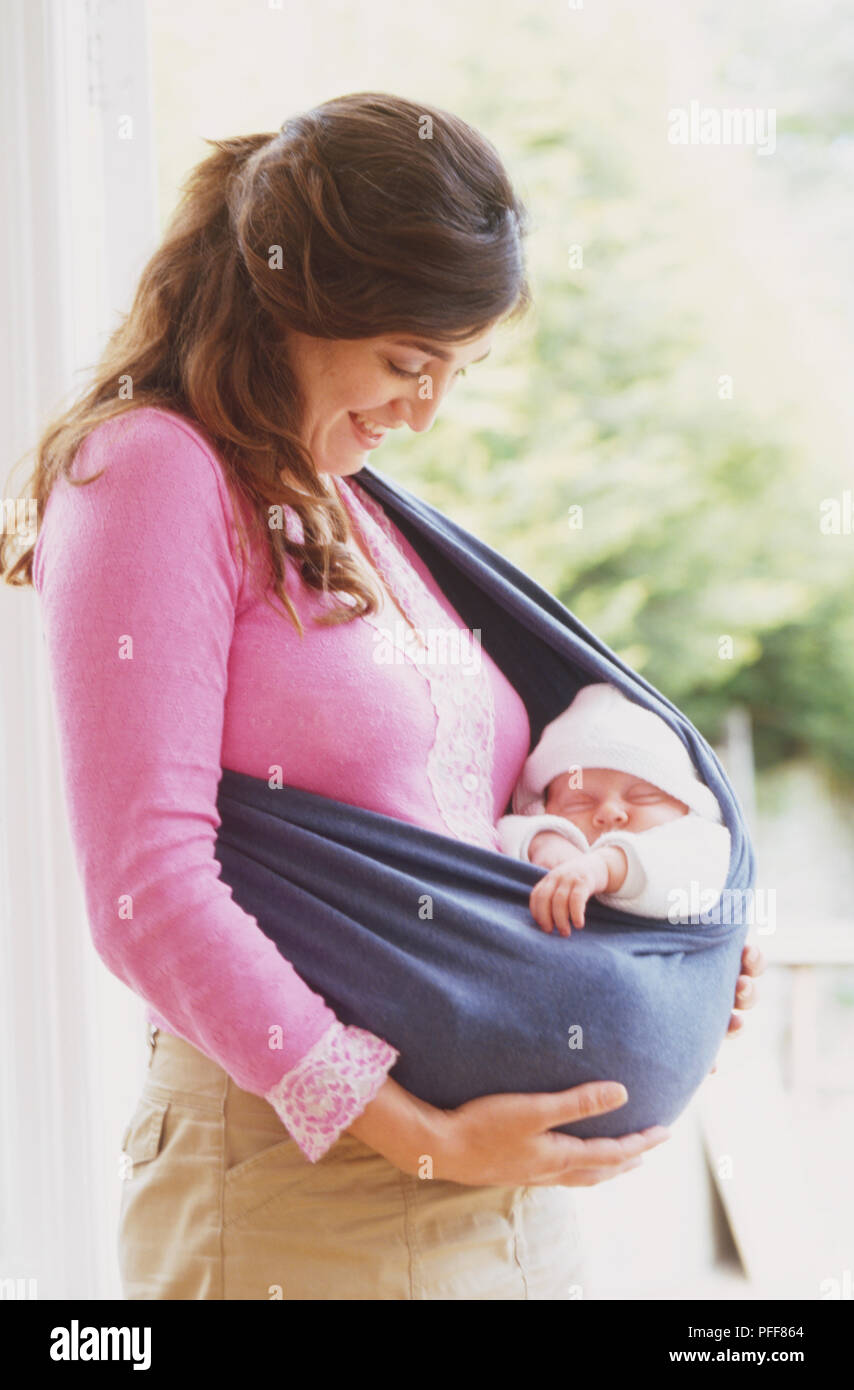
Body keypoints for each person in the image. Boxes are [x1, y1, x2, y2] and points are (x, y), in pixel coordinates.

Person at [0, 92, 763, 1300]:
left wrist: (639, 949)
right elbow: (143, 890)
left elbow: (465, 829)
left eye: (456, 369)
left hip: (495, 1201)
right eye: (407, 361)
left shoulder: (356, 509)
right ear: (293, 303)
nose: (426, 408)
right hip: (306, 1187)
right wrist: (418, 1134)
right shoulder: (151, 472)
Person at [497, 682, 733, 933]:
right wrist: (545, 841)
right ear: (545, 811)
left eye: (642, 797)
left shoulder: (702, 840)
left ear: (687, 805)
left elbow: (690, 870)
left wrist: (604, 866)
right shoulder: (542, 830)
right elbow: (506, 830)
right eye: (579, 802)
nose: (610, 811)